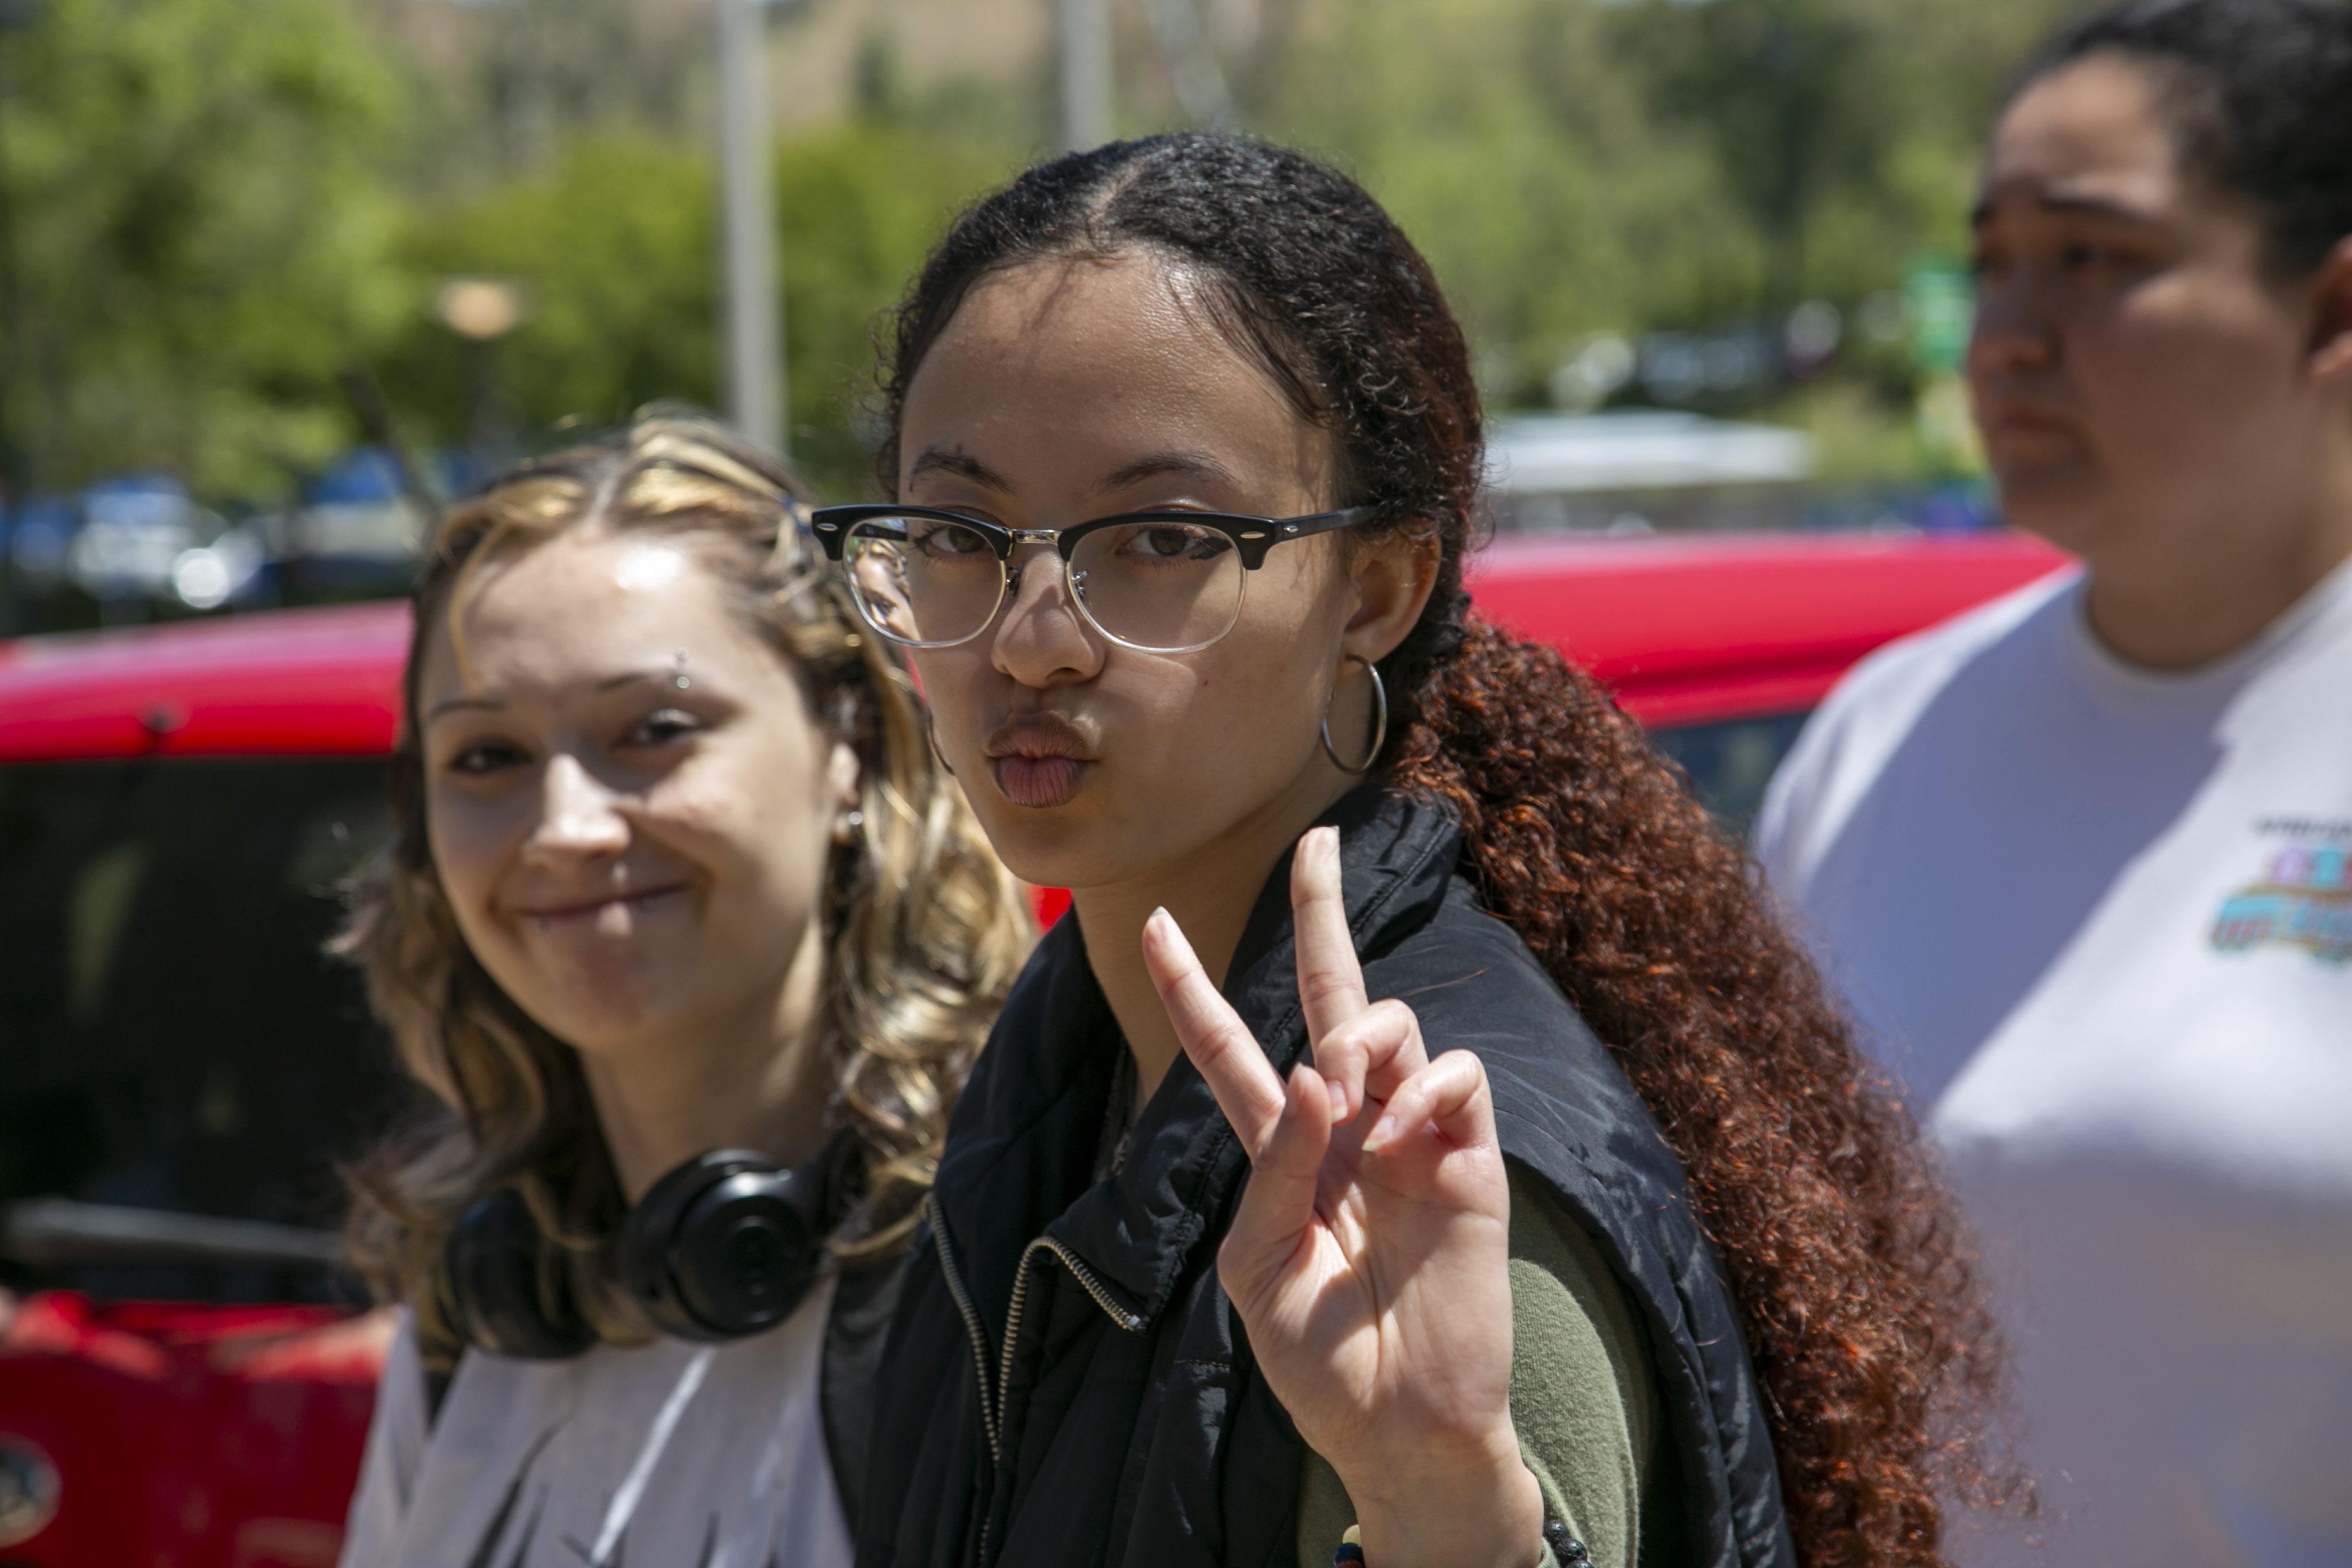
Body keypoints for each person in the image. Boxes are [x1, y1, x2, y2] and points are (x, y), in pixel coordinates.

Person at [821, 134, 2016, 1568]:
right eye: (958, 529)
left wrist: (1449, 1508)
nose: (1031, 636)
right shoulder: (1062, 1060)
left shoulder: (1440, 1159)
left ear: (1377, 584)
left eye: (1159, 537)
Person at [1752, 2, 2352, 1562]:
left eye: (2095, 259)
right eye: (1997, 257)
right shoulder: (1886, 735)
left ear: (2331, 309)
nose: (2010, 329)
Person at [332, 415, 1033, 1567]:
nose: (562, 829)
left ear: (845, 747)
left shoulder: (1004, 1282)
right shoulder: (475, 1316)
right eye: (485, 758)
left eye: (654, 731)